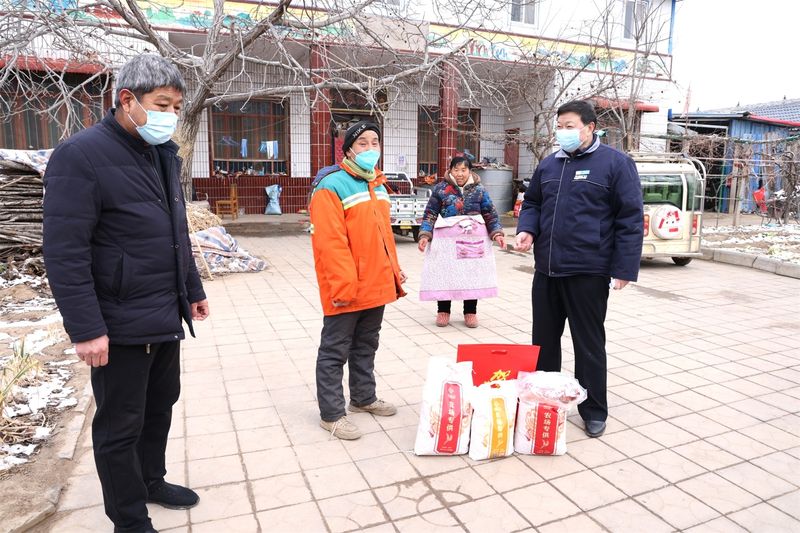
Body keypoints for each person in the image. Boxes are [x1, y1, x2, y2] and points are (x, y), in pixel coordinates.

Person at [43, 55, 209, 533]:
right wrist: (87, 329)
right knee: (120, 425)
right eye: (162, 104)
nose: (170, 116)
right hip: (117, 322)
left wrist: (191, 288)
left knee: (159, 406)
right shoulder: (80, 156)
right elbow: (65, 252)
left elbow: (175, 231)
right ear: (127, 99)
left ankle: (151, 480)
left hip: (163, 312)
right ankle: (129, 519)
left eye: (176, 107)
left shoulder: (162, 154)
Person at [514, 100, 643, 438]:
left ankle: (593, 409)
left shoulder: (615, 164)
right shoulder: (549, 165)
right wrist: (527, 229)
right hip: (547, 270)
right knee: (544, 342)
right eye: (559, 126)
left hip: (588, 271)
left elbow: (629, 218)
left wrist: (624, 268)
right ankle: (545, 401)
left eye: (569, 126)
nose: (563, 132)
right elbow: (533, 202)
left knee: (588, 344)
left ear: (590, 127)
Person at [309, 120, 407, 440]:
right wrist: (343, 287)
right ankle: (331, 414)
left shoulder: (377, 183)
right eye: (362, 143)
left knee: (366, 344)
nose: (370, 148)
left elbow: (383, 235)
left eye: (374, 142)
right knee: (335, 350)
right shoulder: (331, 186)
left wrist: (394, 269)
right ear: (348, 149)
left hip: (376, 283)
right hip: (347, 286)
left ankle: (363, 398)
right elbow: (330, 243)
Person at [417, 156, 505, 328]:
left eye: (463, 170)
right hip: (446, 243)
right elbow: (430, 213)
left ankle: (470, 312)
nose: (459, 174)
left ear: (470, 171)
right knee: (445, 274)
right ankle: (443, 311)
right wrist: (425, 235)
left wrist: (497, 234)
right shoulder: (441, 189)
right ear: (450, 170)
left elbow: (490, 213)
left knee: (471, 275)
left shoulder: (479, 190)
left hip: (472, 240)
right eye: (456, 170)